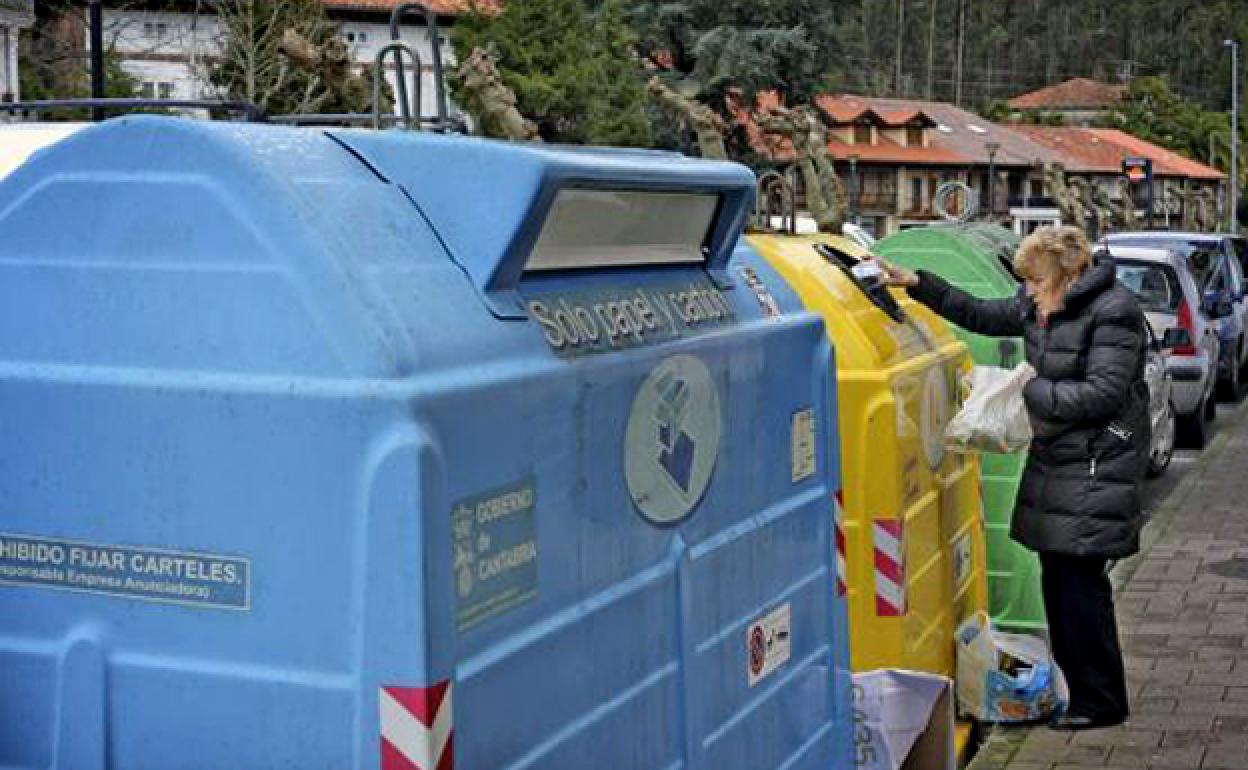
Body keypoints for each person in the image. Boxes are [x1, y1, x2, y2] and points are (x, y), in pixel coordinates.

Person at [873, 225, 1150, 731]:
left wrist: (1027, 388)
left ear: (1068, 276)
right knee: (1059, 582)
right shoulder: (1041, 301)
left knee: (1081, 586)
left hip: (1095, 464)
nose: (1026, 292)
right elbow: (980, 313)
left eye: (1035, 281)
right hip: (1060, 461)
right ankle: (1084, 694)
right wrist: (916, 283)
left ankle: (1101, 702)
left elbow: (1103, 395)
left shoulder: (1114, 312)